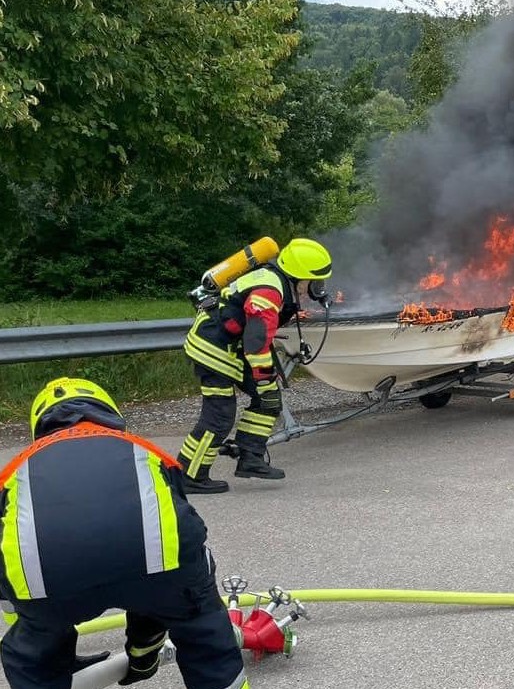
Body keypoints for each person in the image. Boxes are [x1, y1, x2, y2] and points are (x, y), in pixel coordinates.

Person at [0, 377, 248, 688]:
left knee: (32, 657)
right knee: (192, 613)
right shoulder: (146, 451)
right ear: (108, 413)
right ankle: (147, 655)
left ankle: (51, 658)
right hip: (160, 574)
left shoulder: (14, 472)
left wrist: (34, 623)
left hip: (51, 587)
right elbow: (179, 520)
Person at [177, 238, 333, 494]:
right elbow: (256, 342)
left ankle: (250, 458)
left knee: (268, 400)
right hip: (211, 348)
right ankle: (188, 475)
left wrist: (266, 384)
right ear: (299, 278)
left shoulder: (277, 281)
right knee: (219, 415)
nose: (315, 290)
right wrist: (264, 379)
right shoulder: (269, 292)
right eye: (313, 283)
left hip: (230, 346)